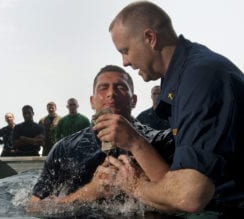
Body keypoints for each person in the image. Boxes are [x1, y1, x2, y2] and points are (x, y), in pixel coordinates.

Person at [101, 1, 244, 218]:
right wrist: (135, 143)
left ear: (150, 38)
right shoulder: (183, 76)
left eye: (126, 50)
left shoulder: (201, 79)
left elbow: (189, 196)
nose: (125, 62)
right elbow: (181, 178)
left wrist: (132, 185)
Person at [27, 65, 174, 211]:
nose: (111, 93)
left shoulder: (160, 141)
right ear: (92, 101)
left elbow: (180, 198)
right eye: (103, 88)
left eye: (121, 87)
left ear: (133, 100)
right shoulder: (64, 149)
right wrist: (90, 191)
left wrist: (138, 184)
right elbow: (34, 206)